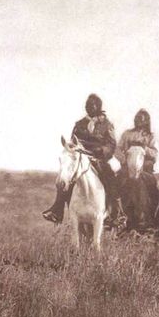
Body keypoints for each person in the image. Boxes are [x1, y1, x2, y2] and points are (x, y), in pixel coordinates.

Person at [42, 93, 126, 228]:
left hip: (100, 157)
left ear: (98, 107)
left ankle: (116, 213)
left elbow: (111, 144)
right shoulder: (79, 124)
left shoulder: (106, 124)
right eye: (87, 105)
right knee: (66, 176)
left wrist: (102, 150)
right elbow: (72, 143)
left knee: (110, 175)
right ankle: (57, 209)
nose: (89, 108)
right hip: (82, 156)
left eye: (92, 105)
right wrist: (72, 149)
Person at [117, 109, 158, 174]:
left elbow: (155, 153)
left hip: (145, 167)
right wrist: (123, 159)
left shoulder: (151, 136)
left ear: (145, 121)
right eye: (136, 118)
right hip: (127, 165)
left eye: (140, 118)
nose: (137, 120)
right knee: (116, 180)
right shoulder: (127, 134)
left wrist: (144, 148)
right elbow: (117, 149)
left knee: (151, 182)